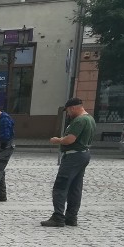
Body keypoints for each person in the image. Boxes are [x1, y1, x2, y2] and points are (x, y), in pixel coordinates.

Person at [42, 97, 96, 227]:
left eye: (68, 111)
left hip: (73, 156)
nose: (69, 114)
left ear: (73, 108)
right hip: (83, 154)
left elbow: (70, 139)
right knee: (75, 188)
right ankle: (71, 217)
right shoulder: (90, 118)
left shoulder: (79, 120)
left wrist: (58, 140)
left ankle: (58, 217)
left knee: (61, 186)